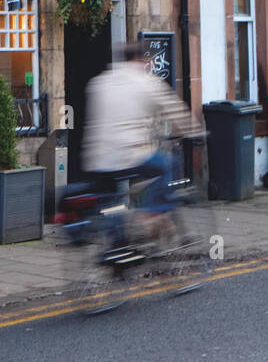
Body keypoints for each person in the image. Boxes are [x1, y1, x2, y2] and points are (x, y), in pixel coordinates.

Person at [80, 40, 202, 243]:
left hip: (96, 159)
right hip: (130, 155)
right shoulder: (145, 81)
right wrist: (195, 132)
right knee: (168, 165)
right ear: (142, 60)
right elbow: (176, 111)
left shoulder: (99, 82)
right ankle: (151, 213)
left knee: (110, 201)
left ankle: (115, 251)